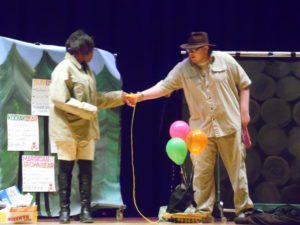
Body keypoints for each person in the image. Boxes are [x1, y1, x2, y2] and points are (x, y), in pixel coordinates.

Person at [125, 32, 255, 222]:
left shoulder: (225, 61)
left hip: (229, 124)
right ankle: (203, 211)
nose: (190, 53)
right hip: (201, 131)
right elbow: (164, 86)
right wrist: (140, 96)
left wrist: (244, 113)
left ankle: (244, 209)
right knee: (201, 173)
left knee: (237, 170)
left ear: (205, 48)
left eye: (194, 50)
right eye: (188, 50)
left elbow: (245, 84)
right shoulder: (183, 69)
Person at [49, 30, 126, 224]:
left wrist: (121, 97)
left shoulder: (86, 70)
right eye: (90, 50)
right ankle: (64, 210)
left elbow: (95, 99)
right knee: (65, 168)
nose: (92, 54)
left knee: (86, 170)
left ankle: (85, 210)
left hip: (86, 129)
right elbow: (60, 99)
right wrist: (88, 109)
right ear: (80, 50)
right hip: (67, 129)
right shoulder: (63, 68)